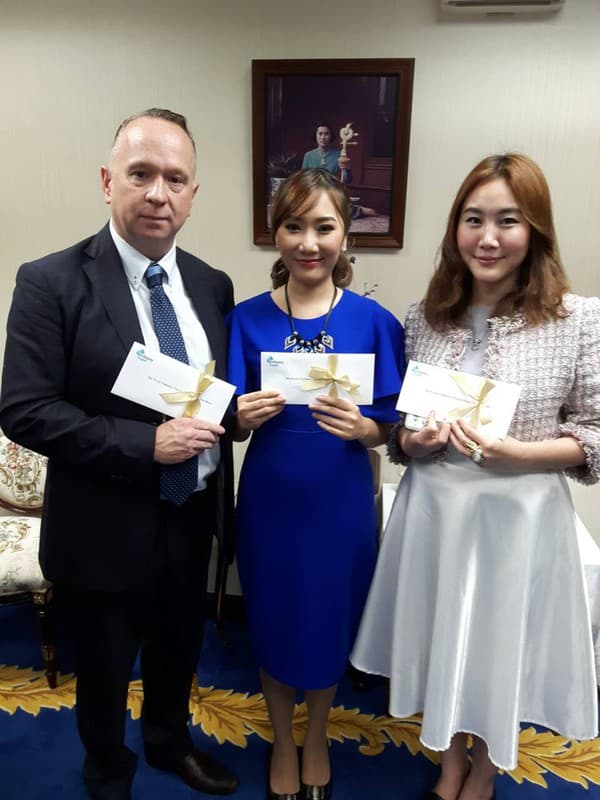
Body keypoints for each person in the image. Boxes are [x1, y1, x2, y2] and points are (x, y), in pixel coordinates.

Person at [0, 108, 238, 800]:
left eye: (175, 179)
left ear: (193, 194)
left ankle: (169, 741)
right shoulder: (50, 281)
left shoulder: (212, 284)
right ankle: (106, 767)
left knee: (179, 648)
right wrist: (145, 444)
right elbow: (25, 408)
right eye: (141, 174)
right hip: (103, 523)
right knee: (103, 670)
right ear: (108, 181)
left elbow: (210, 396)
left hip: (192, 515)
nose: (158, 193)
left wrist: (239, 416)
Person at [351, 153, 600, 800]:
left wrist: (520, 454)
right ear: (455, 228)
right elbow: (402, 432)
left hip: (517, 515)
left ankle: (485, 766)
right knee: (444, 635)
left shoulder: (578, 320)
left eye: (508, 221)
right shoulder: (424, 317)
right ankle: (450, 758)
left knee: (497, 644)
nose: (488, 238)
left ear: (535, 230)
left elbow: (596, 434)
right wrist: (413, 441)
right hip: (436, 508)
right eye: (473, 220)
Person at [227, 168, 405, 800]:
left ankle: (319, 733)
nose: (308, 242)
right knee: (274, 617)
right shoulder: (244, 319)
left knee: (329, 619)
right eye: (293, 226)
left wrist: (366, 429)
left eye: (323, 227)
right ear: (275, 233)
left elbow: (393, 426)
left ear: (345, 235)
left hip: (340, 501)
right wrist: (239, 417)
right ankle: (282, 737)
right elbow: (228, 425)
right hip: (271, 499)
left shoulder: (375, 322)